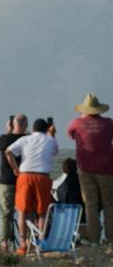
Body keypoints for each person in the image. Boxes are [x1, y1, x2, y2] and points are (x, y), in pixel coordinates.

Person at [5, 118, 58, 255]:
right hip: (42, 176)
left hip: (25, 175)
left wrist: (15, 168)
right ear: (46, 129)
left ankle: (23, 244)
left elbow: (8, 152)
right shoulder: (50, 139)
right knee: (42, 212)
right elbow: (55, 152)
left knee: (22, 211)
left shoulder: (25, 139)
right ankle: (41, 242)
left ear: (33, 128)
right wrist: (52, 135)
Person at [67, 93, 113, 244]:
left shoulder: (76, 123)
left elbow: (71, 135)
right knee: (109, 203)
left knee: (91, 204)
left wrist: (82, 118)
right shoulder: (108, 123)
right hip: (107, 168)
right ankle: (111, 237)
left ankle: (94, 238)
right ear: (99, 109)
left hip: (85, 169)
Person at [0, 114, 28, 249]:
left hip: (7, 180)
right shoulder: (28, 139)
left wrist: (8, 131)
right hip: (23, 179)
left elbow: (3, 147)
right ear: (26, 125)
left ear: (12, 124)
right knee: (24, 211)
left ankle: (4, 243)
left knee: (5, 213)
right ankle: (24, 241)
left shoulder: (4, 139)